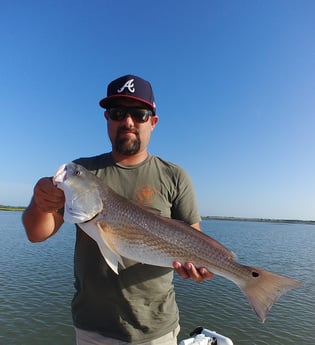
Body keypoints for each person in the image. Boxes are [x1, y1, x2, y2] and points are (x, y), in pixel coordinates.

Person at [22, 75, 213, 345]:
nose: (128, 122)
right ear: (107, 119)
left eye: (139, 113)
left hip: (156, 331)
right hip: (92, 330)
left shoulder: (175, 176)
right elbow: (35, 233)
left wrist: (203, 266)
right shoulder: (83, 174)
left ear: (153, 122)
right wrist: (41, 201)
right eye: (117, 112)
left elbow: (193, 238)